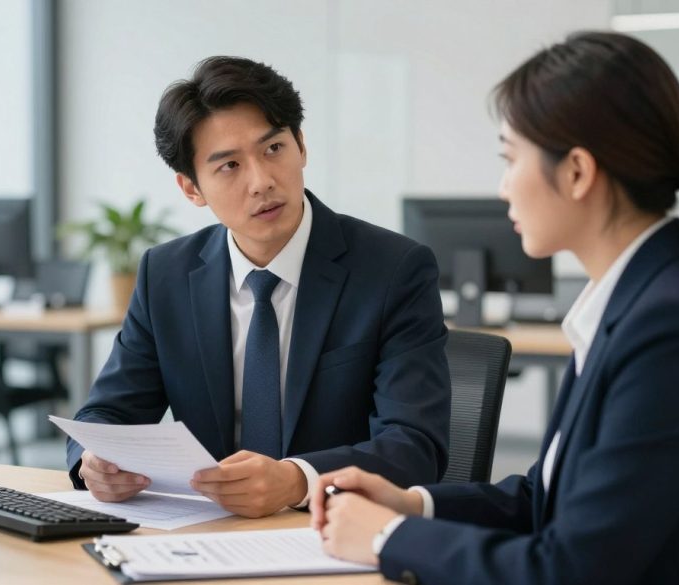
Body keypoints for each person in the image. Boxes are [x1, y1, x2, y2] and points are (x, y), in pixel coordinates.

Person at [311, 31, 679, 584]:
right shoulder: (634, 302)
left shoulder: (672, 326)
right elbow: (546, 497)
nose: (504, 187)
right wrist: (412, 506)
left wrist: (387, 539)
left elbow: (571, 568)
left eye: (511, 160)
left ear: (577, 172)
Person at [66, 56, 451, 518]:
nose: (262, 181)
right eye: (229, 165)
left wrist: (296, 480)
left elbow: (414, 445)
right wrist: (95, 464)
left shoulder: (393, 270)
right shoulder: (165, 274)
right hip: (204, 539)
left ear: (301, 146)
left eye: (273, 149)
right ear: (192, 188)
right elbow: (105, 416)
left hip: (334, 535)